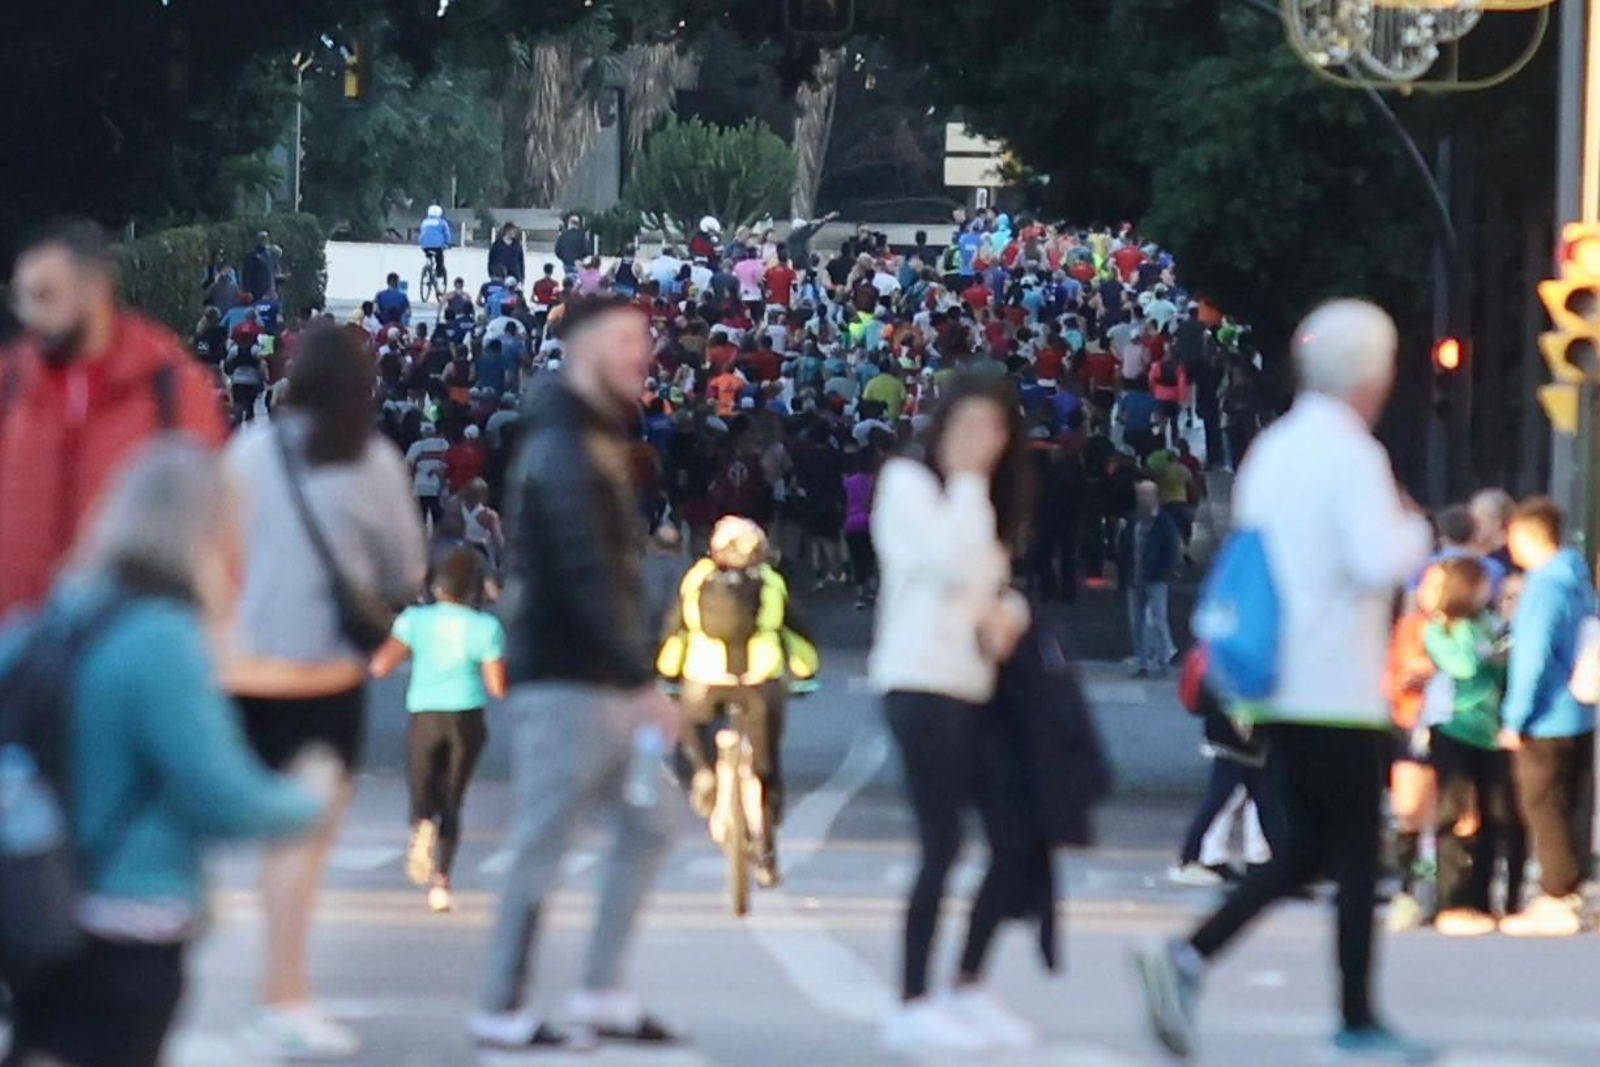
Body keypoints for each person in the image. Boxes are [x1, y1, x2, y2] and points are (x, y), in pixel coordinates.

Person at [1135, 299, 1434, 1064]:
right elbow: (1380, 559)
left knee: (1305, 849)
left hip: (1270, 677)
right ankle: (1357, 1017)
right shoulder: (1353, 455)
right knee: (1355, 854)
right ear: (1371, 373)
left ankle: (1191, 956)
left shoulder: (1275, 447)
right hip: (1335, 681)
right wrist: (1415, 529)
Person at [0, 441, 333, 1067]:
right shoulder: (165, 642)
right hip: (129, 923)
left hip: (34, 916)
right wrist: (306, 797)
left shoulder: (55, 620)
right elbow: (221, 795)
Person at [474, 296, 680, 1051]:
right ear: (584, 346)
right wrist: (641, 682)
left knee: (649, 823)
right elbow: (584, 570)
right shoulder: (565, 443)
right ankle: (501, 1000)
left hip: (593, 675)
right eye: (629, 340)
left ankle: (599, 988)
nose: (643, 356)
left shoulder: (586, 434)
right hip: (568, 678)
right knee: (542, 843)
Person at [223, 325, 427, 1059]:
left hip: (243, 669)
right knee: (301, 845)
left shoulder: (247, 450)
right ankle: (282, 990)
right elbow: (407, 570)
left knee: (265, 837)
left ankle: (271, 988)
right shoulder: (370, 462)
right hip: (324, 676)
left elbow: (218, 552)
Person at [871, 373, 1038, 1055]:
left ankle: (968, 981)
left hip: (976, 681)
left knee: (1015, 832)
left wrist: (1011, 613)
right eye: (968, 425)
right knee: (942, 839)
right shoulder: (910, 485)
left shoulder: (987, 500)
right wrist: (968, 482)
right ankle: (912, 997)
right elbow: (946, 563)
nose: (981, 442)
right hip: (918, 678)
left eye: (994, 429)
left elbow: (991, 582)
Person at [0, 219, 226, 616]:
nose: (31, 314)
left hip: (128, 650)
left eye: (46, 295)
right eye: (24, 297)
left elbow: (212, 523)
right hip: (19, 653)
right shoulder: (11, 385)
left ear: (95, 290)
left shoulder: (169, 389)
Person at [656, 516, 818, 887]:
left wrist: (668, 674)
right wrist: (806, 671)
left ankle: (702, 774)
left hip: (705, 678)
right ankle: (766, 856)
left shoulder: (697, 578)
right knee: (767, 766)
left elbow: (676, 628)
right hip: (760, 680)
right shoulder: (771, 581)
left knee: (691, 728)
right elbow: (795, 631)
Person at [372, 546, 506, 914]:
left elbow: (382, 666)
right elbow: (497, 687)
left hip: (426, 714)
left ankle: (421, 824)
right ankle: (441, 884)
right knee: (453, 798)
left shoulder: (414, 621)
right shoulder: (486, 628)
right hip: (467, 716)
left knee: (421, 786)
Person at [1498, 496, 1596, 937]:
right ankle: (1573, 891)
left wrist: (1514, 717)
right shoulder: (1579, 582)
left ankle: (1556, 896)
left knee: (1543, 805)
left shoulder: (1543, 588)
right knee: (1572, 800)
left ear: (1526, 536)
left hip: (1546, 715)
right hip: (1580, 709)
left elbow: (1532, 658)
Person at [1423, 555, 1525, 937]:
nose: (1490, 591)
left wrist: (1498, 654)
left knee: (1496, 814)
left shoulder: (1487, 623)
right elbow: (1463, 666)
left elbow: (1503, 661)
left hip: (1490, 729)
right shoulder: (1445, 628)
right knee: (1455, 813)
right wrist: (1488, 655)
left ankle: (1485, 898)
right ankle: (1451, 899)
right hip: (1454, 727)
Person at [1119, 480, 1180, 677]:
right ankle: (1142, 662)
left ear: (1155, 496)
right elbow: (1125, 548)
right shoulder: (1133, 520)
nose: (1143, 498)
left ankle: (1163, 659)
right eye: (1140, 494)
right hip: (1135, 577)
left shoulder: (1164, 521)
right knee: (1136, 621)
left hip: (1155, 578)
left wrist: (1164, 572)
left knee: (1158, 618)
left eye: (1147, 494)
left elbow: (1171, 549)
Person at [406, 421, 451, 526]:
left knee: (421, 519)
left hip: (421, 486)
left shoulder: (416, 445)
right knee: (439, 519)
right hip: (438, 487)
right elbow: (448, 463)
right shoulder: (443, 444)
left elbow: (407, 465)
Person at [419, 204, 453, 283]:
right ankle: (439, 276)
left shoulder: (424, 222)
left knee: (428, 255)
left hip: (425, 246)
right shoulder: (442, 222)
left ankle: (428, 268)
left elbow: (421, 233)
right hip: (437, 246)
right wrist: (447, 243)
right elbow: (447, 234)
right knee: (439, 259)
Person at [243, 229, 279, 301]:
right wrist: (248, 291)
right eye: (262, 238)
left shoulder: (270, 255)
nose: (265, 240)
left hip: (270, 291)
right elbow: (247, 274)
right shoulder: (252, 256)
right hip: (257, 291)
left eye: (266, 238)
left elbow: (272, 272)